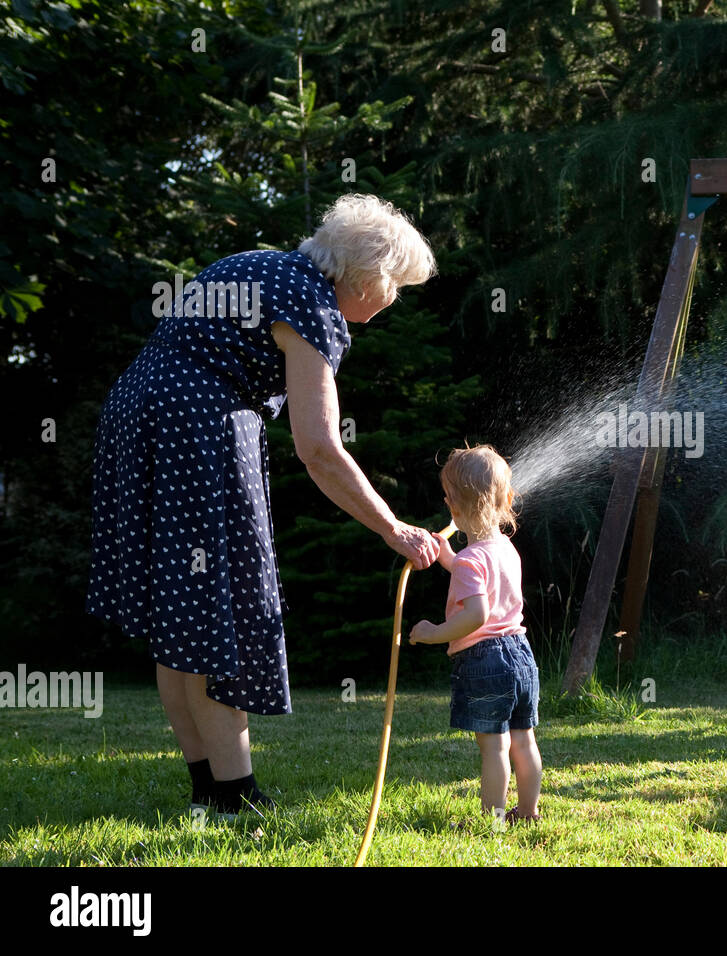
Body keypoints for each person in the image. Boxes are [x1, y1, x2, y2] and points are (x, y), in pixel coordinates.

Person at [86, 194, 441, 820]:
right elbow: (320, 448)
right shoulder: (310, 302)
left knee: (181, 617)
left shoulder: (254, 262)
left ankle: (207, 790)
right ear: (369, 276)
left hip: (135, 415)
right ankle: (236, 796)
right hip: (196, 429)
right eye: (396, 287)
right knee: (217, 608)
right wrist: (394, 529)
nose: (392, 302)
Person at [409, 445, 542, 825]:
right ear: (505, 499)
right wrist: (448, 557)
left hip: (486, 661)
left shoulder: (471, 560)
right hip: (522, 655)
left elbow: (477, 614)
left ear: (453, 507)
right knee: (523, 740)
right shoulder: (506, 550)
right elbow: (481, 579)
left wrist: (434, 633)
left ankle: (493, 819)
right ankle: (528, 812)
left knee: (494, 747)